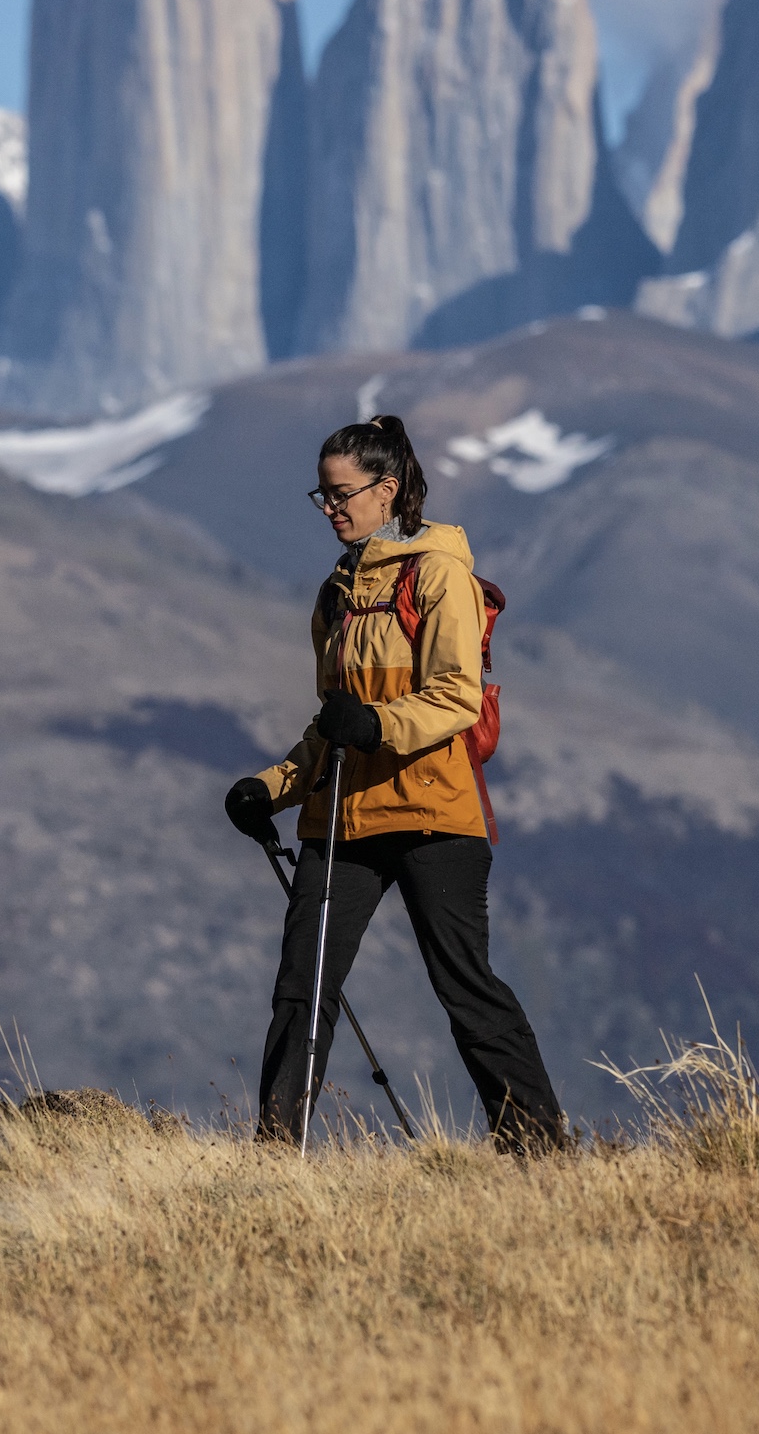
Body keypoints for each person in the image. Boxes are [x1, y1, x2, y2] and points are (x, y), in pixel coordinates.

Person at [224, 415, 567, 1152]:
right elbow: (332, 721)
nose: (330, 508)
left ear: (388, 490)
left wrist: (375, 728)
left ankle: (540, 1149)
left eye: (342, 493)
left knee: (464, 986)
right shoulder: (336, 592)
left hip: (434, 808)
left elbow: (456, 695)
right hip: (342, 814)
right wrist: (270, 786)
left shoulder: (440, 575)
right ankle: (276, 1154)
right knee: (302, 985)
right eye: (321, 495)